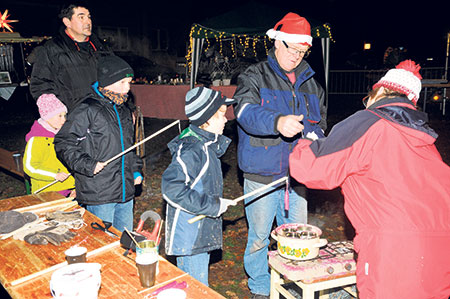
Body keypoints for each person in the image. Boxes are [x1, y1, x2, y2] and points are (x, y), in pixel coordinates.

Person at [289, 60, 450, 298]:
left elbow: (311, 170)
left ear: (380, 91)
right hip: (441, 247)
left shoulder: (369, 121)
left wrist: (307, 143)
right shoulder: (425, 137)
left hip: (394, 250)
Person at [233, 12, 327, 298]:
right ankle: (260, 288)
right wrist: (277, 122)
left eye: (302, 50)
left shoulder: (312, 84)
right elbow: (244, 112)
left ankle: (292, 286)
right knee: (260, 238)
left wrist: (317, 139)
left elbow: (321, 124)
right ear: (277, 42)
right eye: (292, 48)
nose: (297, 56)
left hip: (297, 177)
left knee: (295, 237)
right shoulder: (254, 75)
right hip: (261, 173)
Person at [54, 55, 143, 232]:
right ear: (107, 82)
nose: (128, 88)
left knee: (123, 240)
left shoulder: (124, 109)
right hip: (99, 192)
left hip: (125, 190)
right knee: (103, 243)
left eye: (130, 82)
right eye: (123, 82)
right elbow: (64, 142)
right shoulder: (87, 109)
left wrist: (135, 170)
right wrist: (87, 164)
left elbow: (129, 147)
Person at [161, 87, 237, 286]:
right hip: (191, 237)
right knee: (195, 288)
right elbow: (172, 188)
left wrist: (218, 203)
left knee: (195, 287)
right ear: (208, 119)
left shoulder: (207, 146)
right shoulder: (192, 149)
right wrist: (213, 206)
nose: (226, 119)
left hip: (198, 233)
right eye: (222, 115)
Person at [30, 2, 112, 113]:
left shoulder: (102, 48)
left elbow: (118, 79)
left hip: (104, 116)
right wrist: (55, 113)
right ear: (67, 22)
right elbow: (40, 85)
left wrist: (127, 109)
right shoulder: (51, 49)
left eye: (89, 17)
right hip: (72, 119)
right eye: (81, 17)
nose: (88, 22)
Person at [23, 94, 75, 196]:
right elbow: (30, 167)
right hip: (47, 191)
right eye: (59, 116)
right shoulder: (37, 139)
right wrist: (54, 175)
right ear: (47, 117)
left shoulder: (63, 135)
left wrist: (75, 186)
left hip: (68, 189)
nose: (64, 120)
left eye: (65, 115)